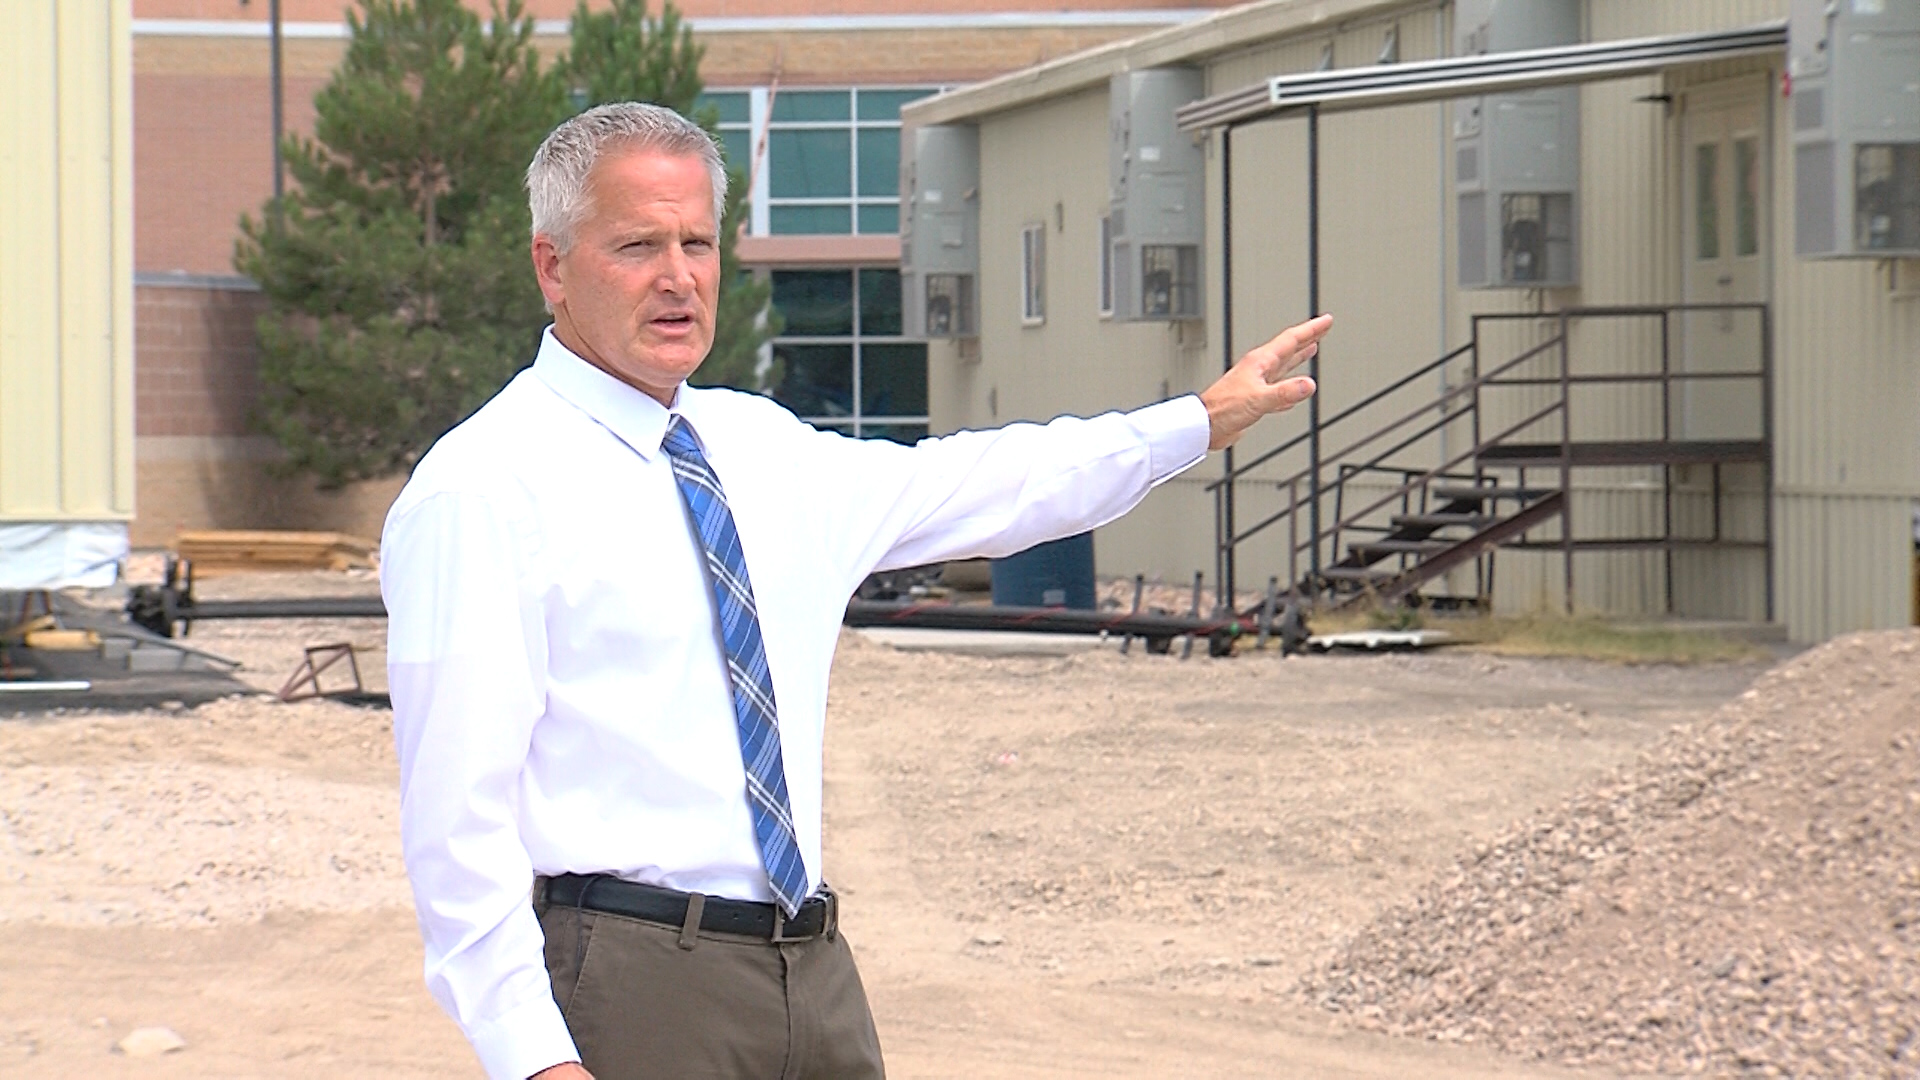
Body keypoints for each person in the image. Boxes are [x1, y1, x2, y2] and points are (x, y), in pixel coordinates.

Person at [380, 101, 1329, 1080]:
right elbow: (455, 818)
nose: (678, 278)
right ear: (552, 264)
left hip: (813, 973)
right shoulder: (483, 490)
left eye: (697, 243)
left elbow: (986, 480)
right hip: (629, 983)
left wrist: (1193, 423)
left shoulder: (760, 449)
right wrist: (531, 1056)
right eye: (637, 246)